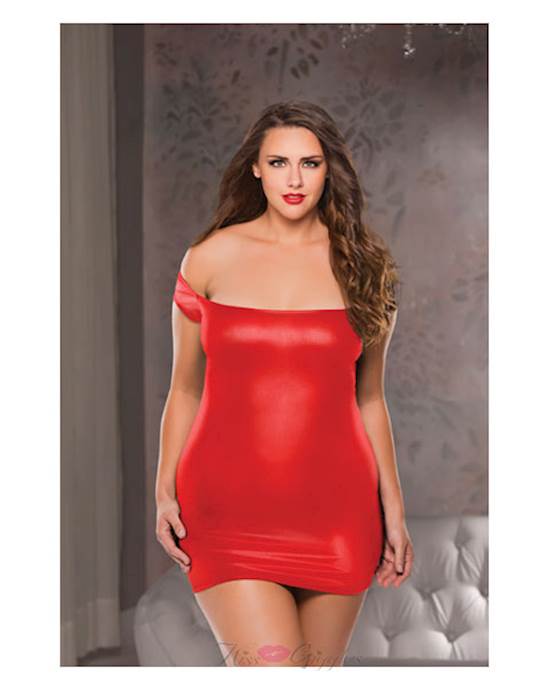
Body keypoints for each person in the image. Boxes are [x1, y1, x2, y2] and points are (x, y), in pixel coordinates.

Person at [154, 100, 414, 668]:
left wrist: (393, 512)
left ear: (329, 170)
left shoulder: (365, 268)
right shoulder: (209, 258)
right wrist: (163, 490)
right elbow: (185, 389)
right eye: (278, 163)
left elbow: (370, 399)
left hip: (339, 516)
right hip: (227, 515)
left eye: (309, 164)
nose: (294, 180)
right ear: (255, 168)